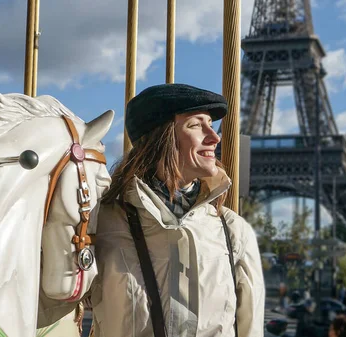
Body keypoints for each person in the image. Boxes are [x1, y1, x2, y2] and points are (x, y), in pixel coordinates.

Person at [89, 83, 265, 336]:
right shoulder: (104, 221)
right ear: (162, 138)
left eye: (211, 125)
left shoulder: (232, 229)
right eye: (195, 125)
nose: (215, 137)